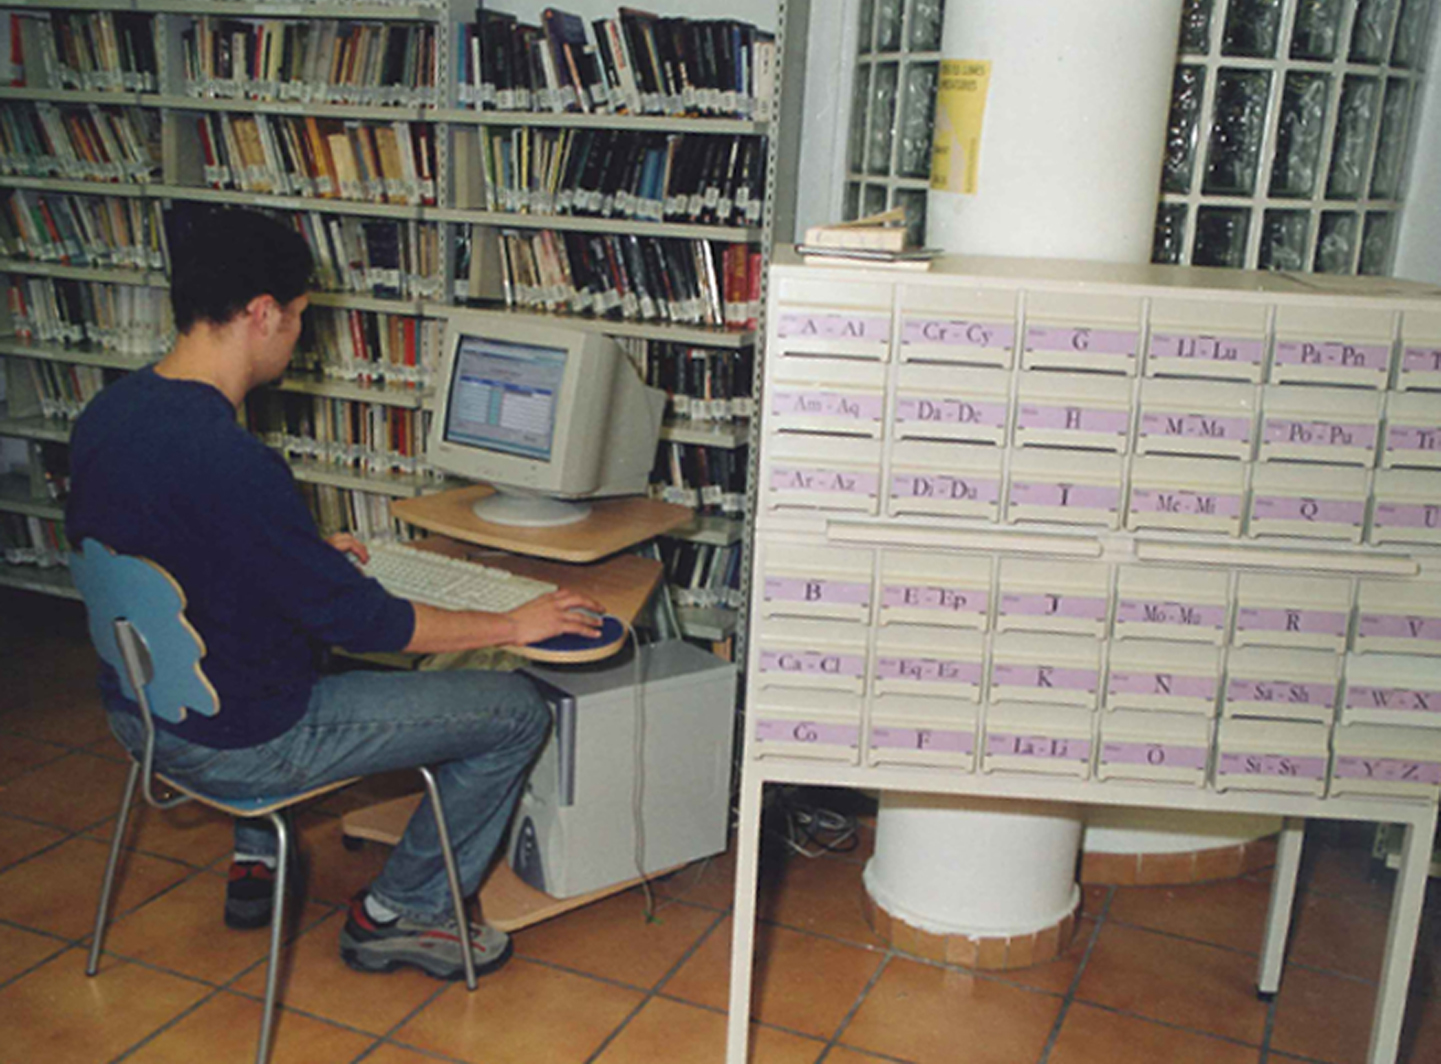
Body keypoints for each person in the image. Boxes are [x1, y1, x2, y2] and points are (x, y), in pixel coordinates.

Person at [65, 207, 603, 981]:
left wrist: (298, 554)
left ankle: (266, 854)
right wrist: (511, 619)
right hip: (245, 739)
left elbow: (167, 547)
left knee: (304, 626)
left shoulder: (108, 415)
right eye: (298, 318)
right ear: (261, 314)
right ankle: (404, 914)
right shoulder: (231, 459)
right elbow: (371, 624)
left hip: (144, 715)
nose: (300, 336)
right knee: (514, 711)